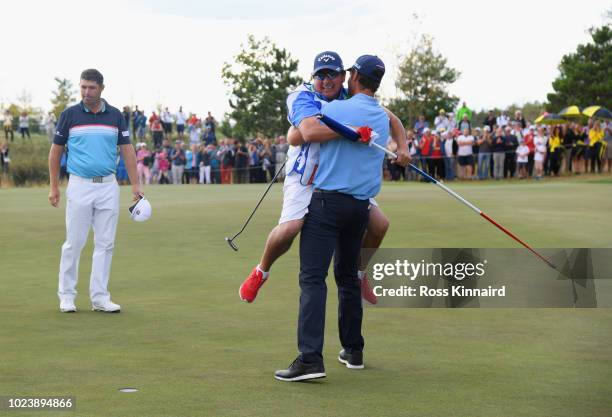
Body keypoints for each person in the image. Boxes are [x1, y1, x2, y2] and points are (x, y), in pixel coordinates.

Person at [238, 51, 408, 305]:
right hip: (304, 176)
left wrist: (402, 147)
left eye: (332, 74)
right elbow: (301, 134)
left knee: (379, 225)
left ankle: (360, 274)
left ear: (344, 77)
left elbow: (391, 118)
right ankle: (261, 270)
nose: (326, 80)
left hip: (337, 178)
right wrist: (350, 132)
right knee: (291, 228)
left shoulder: (350, 97)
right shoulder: (302, 95)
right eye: (320, 75)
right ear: (313, 77)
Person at [274, 55, 390, 382]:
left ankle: (310, 359)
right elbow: (393, 120)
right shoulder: (380, 116)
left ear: (350, 76)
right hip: (359, 208)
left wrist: (323, 126)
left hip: (327, 204)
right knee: (349, 276)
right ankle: (353, 350)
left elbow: (299, 135)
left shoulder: (333, 109)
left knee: (312, 278)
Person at [48, 69, 141, 313]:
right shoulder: (69, 115)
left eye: (91, 87)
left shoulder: (116, 116)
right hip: (79, 185)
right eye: (82, 87)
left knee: (105, 243)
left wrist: (135, 185)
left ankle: (100, 297)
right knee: (74, 243)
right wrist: (54, 186)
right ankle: (67, 295)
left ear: (101, 88)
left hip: (108, 185)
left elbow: (127, 150)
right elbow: (55, 152)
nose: (86, 92)